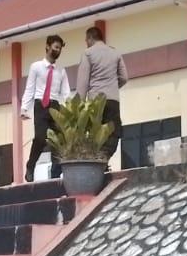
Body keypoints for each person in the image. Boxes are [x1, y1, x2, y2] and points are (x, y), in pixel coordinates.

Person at [21, 34, 74, 181]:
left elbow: (66, 93)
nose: (58, 51)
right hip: (41, 105)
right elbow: (29, 88)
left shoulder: (61, 71)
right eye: (56, 47)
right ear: (47, 46)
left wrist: (71, 110)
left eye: (60, 49)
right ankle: (31, 165)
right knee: (40, 138)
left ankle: (56, 172)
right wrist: (24, 108)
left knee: (60, 137)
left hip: (55, 105)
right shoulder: (36, 67)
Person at [76, 26, 128, 162]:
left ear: (90, 38)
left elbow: (82, 84)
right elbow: (124, 77)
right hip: (112, 100)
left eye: (86, 40)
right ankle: (104, 159)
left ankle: (97, 162)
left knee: (95, 134)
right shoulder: (115, 53)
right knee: (113, 133)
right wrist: (112, 87)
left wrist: (79, 107)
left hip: (95, 103)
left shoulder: (88, 54)